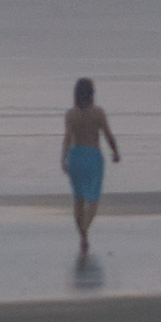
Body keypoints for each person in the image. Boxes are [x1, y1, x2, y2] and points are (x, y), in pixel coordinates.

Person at [61, 77, 120, 255]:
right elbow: (108, 135)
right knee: (92, 200)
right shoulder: (98, 113)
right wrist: (115, 152)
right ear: (92, 94)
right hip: (93, 156)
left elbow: (67, 137)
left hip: (76, 156)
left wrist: (64, 158)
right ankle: (85, 232)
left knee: (78, 200)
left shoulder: (71, 114)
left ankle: (83, 236)